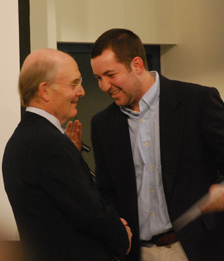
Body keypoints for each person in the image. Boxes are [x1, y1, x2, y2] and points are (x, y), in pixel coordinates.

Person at [89, 28, 224, 261]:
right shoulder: (103, 124)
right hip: (142, 253)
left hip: (204, 248)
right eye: (98, 78)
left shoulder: (197, 101)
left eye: (110, 75)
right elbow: (108, 191)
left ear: (136, 65)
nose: (104, 86)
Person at [2, 48, 132, 261]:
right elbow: (89, 212)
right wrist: (121, 235)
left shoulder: (20, 139)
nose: (81, 92)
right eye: (74, 84)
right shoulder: (50, 144)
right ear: (45, 91)